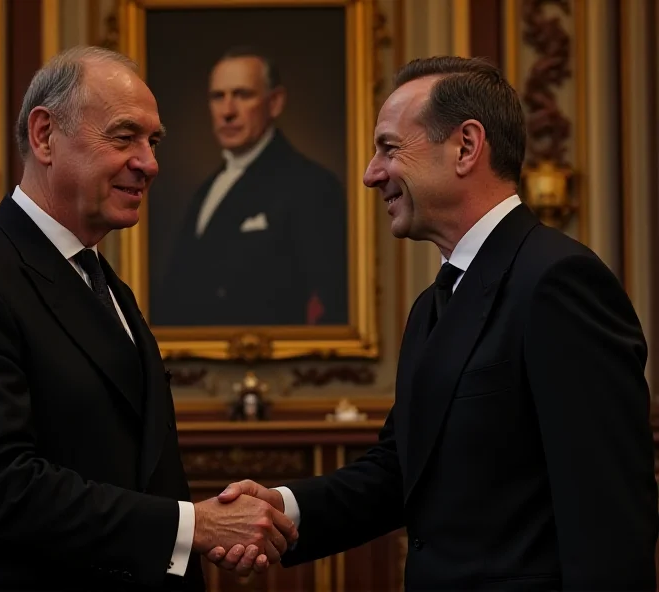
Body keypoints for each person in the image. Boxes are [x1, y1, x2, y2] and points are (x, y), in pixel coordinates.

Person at [211, 56, 659, 589]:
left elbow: (608, 520)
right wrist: (281, 507)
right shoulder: (434, 303)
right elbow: (402, 470)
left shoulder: (558, 283)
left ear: (466, 147)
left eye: (389, 148)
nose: (370, 174)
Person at [0, 46, 296, 591]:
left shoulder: (103, 282)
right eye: (124, 136)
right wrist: (192, 525)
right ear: (44, 136)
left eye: (153, 142)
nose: (149, 163)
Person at [152, 46, 347, 327]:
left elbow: (330, 307)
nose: (227, 111)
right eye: (218, 97)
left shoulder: (312, 186)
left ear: (275, 102)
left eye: (243, 95)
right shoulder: (205, 191)